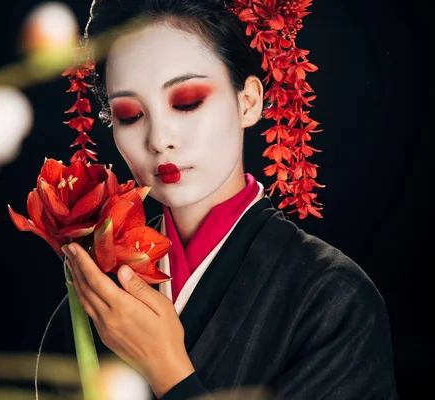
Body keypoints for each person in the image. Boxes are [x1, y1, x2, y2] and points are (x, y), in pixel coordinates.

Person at [36, 0, 399, 399]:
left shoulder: (333, 298)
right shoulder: (95, 303)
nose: (159, 140)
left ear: (249, 102)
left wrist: (168, 371)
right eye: (130, 114)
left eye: (187, 101)